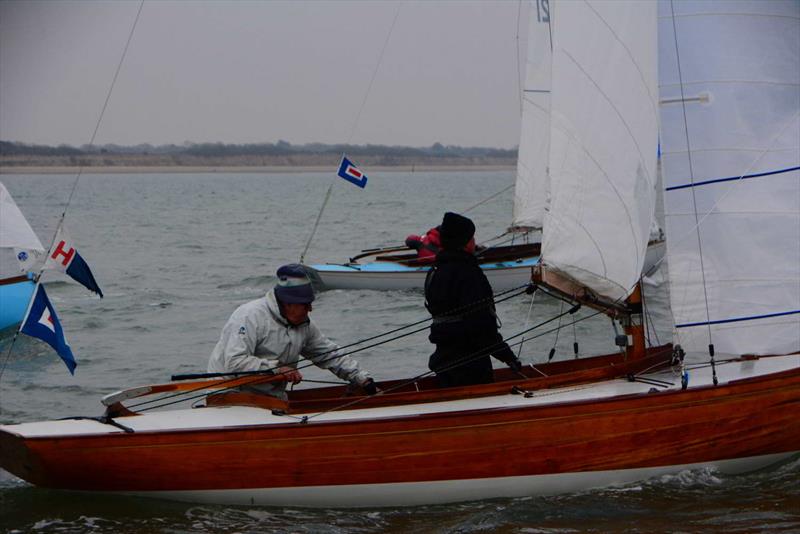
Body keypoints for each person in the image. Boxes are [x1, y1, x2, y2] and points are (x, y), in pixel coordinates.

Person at [207, 263, 377, 399]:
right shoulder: (249, 316)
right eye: (305, 304)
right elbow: (234, 362)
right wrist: (278, 369)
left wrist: (361, 377)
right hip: (229, 394)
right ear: (287, 303)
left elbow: (328, 354)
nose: (310, 309)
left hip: (271, 397)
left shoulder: (304, 324)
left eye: (311, 302)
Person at [424, 212, 522, 388]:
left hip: (442, 364)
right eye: (471, 237)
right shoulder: (469, 274)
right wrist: (508, 357)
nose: (474, 241)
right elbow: (482, 327)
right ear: (464, 242)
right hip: (471, 367)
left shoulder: (434, 272)